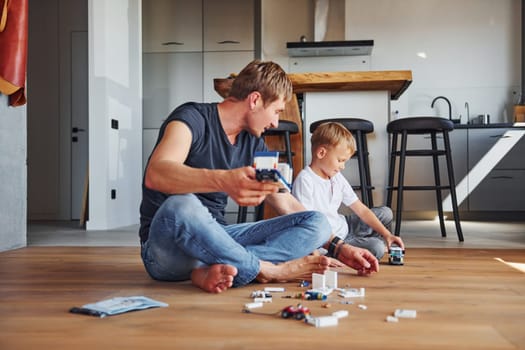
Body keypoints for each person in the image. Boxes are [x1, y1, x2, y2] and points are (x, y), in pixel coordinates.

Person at [139, 60, 379, 293]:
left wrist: (340, 247)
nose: (275, 122)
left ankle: (217, 268)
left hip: (219, 241)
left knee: (317, 222)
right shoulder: (192, 118)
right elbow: (156, 173)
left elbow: (284, 201)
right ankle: (267, 270)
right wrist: (223, 179)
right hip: (167, 249)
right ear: (255, 100)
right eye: (276, 111)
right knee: (182, 204)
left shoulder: (255, 145)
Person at [292, 121, 405, 260]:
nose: (343, 166)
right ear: (321, 153)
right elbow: (306, 227)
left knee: (385, 212)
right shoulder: (305, 181)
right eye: (340, 160)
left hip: (345, 225)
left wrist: (387, 234)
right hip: (331, 243)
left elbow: (361, 209)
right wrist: (316, 259)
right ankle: (360, 246)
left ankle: (371, 239)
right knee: (377, 248)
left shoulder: (335, 176)